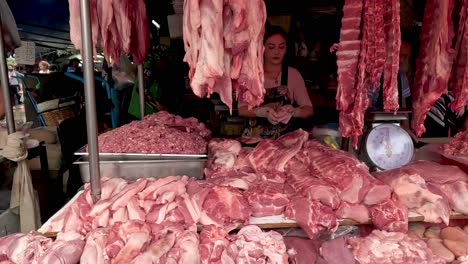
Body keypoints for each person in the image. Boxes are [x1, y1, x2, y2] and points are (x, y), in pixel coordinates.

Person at [238, 26, 313, 139]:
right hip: (254, 142)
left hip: (284, 143)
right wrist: (261, 112)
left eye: (281, 47)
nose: (277, 52)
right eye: (271, 47)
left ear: (286, 48)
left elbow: (308, 110)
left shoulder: (293, 74)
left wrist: (294, 111)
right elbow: (242, 110)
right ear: (261, 48)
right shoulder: (251, 75)